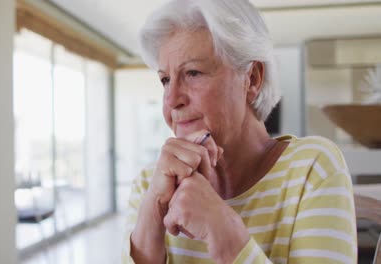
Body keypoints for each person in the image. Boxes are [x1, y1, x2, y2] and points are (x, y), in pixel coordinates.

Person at [122, 0, 357, 263]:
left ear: (252, 78)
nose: (171, 99)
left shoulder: (313, 168)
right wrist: (151, 218)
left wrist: (223, 231)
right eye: (165, 79)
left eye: (193, 73)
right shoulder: (150, 184)